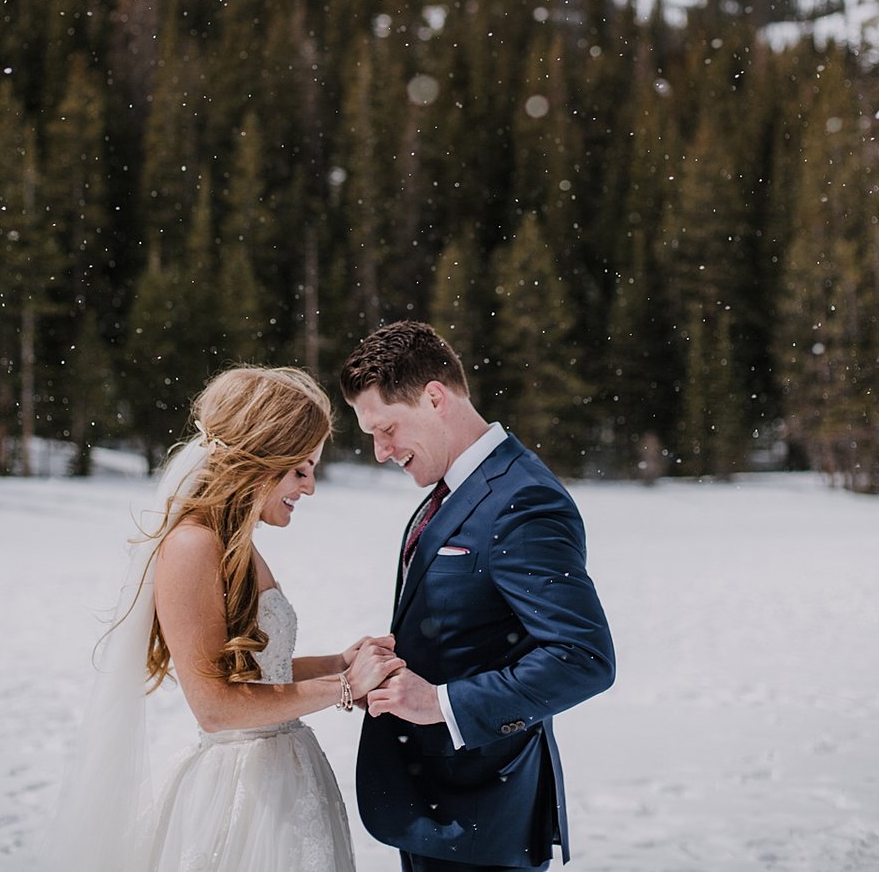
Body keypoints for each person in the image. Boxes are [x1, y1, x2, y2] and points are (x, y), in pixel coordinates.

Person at [44, 365, 401, 872]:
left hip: (284, 784)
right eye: (300, 469)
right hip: (241, 796)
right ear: (259, 460)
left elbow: (257, 673)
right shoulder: (193, 545)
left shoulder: (238, 544)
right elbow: (215, 706)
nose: (311, 487)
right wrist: (343, 686)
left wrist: (335, 663)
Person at [340, 321, 615, 872]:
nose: (380, 450)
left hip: (483, 816)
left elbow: (582, 658)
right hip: (439, 812)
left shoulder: (522, 499)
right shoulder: (454, 488)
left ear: (434, 397)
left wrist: (441, 704)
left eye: (386, 428)